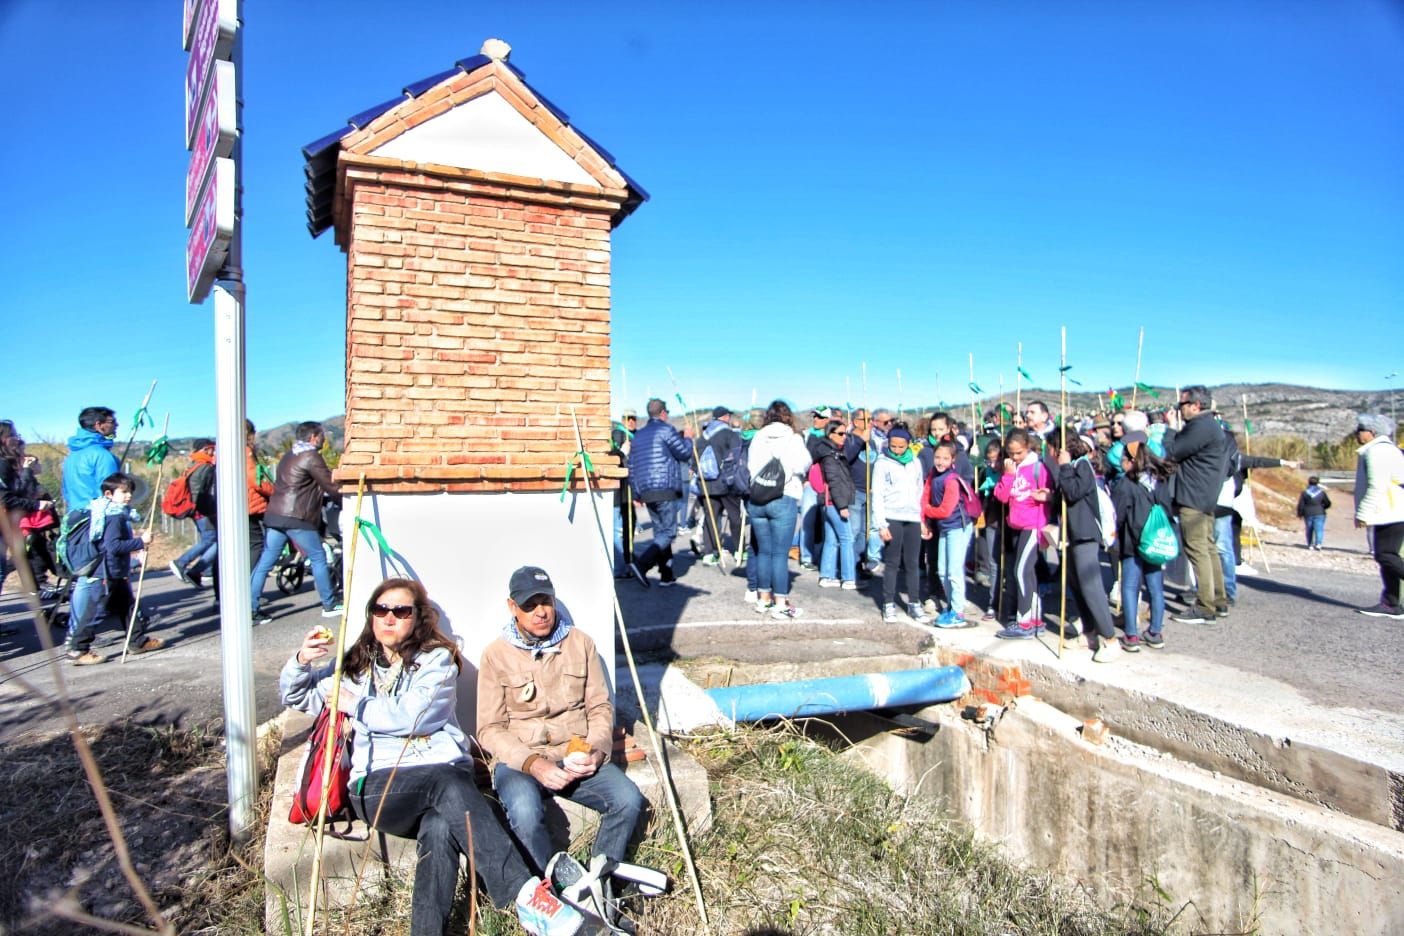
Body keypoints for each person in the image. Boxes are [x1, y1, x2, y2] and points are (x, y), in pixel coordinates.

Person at [280, 578, 591, 936]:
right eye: (381, 610)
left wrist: (359, 707)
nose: (389, 618)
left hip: (442, 784)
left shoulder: (437, 661)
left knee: (441, 828)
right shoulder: (355, 670)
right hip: (380, 786)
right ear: (371, 617)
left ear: (418, 618)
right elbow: (296, 696)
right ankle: (523, 893)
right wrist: (302, 661)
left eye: (400, 611)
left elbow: (419, 715)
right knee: (447, 783)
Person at [478, 567, 645, 885]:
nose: (540, 612)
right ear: (512, 607)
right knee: (526, 814)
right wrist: (533, 764)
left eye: (546, 601)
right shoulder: (495, 655)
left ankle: (597, 883)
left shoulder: (580, 643)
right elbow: (489, 728)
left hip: (574, 752)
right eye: (530, 605)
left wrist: (595, 752)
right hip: (522, 760)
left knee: (627, 799)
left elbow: (599, 707)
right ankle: (552, 891)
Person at [250, 421, 344, 621]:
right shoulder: (311, 456)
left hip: (275, 515)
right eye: (321, 436)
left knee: (266, 561)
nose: (324, 439)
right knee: (318, 557)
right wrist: (344, 501)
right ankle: (329, 603)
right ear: (313, 437)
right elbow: (329, 485)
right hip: (297, 517)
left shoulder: (288, 456)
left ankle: (251, 607)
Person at [65, 473, 162, 664]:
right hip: (106, 572)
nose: (128, 496)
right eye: (124, 492)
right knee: (97, 610)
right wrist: (140, 542)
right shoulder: (114, 516)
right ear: (109, 494)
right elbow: (112, 546)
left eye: (130, 492)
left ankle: (137, 641)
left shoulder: (109, 511)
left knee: (128, 608)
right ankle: (77, 649)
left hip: (114, 571)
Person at [1162, 386, 1229, 624]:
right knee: (1208, 549)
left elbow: (1172, 452)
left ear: (1195, 405)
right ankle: (1218, 600)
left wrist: (1170, 429)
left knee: (1197, 550)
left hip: (1193, 497)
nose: (1178, 410)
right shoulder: (1211, 426)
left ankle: (1205, 606)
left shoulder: (1200, 426)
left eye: (1181, 405)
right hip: (1205, 496)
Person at [745, 400, 812, 619]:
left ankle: (763, 599)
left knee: (763, 551)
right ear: (788, 416)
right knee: (779, 554)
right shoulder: (793, 438)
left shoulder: (757, 436)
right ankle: (780, 602)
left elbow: (750, 466)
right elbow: (804, 464)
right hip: (783, 496)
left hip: (757, 498)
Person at [1056, 435, 1119, 660]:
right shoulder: (1070, 467)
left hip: (1085, 533)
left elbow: (1074, 492)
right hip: (1070, 534)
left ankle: (1110, 638)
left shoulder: (1082, 466)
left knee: (1090, 586)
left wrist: (1064, 467)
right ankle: (1089, 632)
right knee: (1077, 585)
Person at [1113, 432, 1174, 650]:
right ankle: (1155, 632)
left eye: (1122, 460)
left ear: (1131, 461)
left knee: (1130, 588)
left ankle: (1131, 635)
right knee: (1155, 587)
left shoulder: (1125, 485)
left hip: (1132, 543)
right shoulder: (1160, 480)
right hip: (1155, 542)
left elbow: (1117, 516)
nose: (1120, 463)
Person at [625, 399, 693, 587]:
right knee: (669, 533)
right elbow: (685, 453)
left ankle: (666, 574)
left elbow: (632, 466)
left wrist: (637, 492)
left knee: (660, 533)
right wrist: (688, 437)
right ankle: (642, 564)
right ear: (662, 413)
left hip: (647, 492)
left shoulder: (638, 436)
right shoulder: (666, 430)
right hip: (665, 488)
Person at [992, 429, 1053, 639]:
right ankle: (1035, 619)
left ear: (1028, 448)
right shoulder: (1010, 468)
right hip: (1015, 526)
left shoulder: (1038, 468)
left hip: (1033, 525)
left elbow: (1051, 492)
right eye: (1011, 453)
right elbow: (1001, 496)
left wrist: (1046, 497)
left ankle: (1024, 622)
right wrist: (1008, 476)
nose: (1015, 457)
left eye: (1019, 453)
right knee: (1028, 573)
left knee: (1020, 571)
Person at [872, 425, 928, 624]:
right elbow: (877, 493)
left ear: (908, 444)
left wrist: (921, 519)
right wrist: (881, 524)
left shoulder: (915, 461)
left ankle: (914, 602)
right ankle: (888, 603)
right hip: (891, 516)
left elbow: (919, 489)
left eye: (901, 446)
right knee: (893, 562)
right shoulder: (882, 462)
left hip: (912, 517)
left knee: (913, 563)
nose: (896, 450)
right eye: (893, 446)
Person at [1352, 414, 1404, 619]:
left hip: (1391, 511)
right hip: (1388, 511)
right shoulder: (1380, 450)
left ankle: (1392, 602)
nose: (1357, 433)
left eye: (1360, 430)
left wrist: (1362, 513)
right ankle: (1391, 603)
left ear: (1372, 433)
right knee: (1385, 555)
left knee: (1386, 555)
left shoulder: (1378, 452)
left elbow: (1377, 485)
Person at [921, 440, 978, 628]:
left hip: (958, 527)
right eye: (937, 457)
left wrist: (927, 511)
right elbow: (925, 496)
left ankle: (958, 612)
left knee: (954, 571)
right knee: (942, 569)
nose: (940, 461)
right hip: (945, 527)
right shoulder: (933, 475)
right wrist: (924, 519)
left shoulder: (952, 480)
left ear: (953, 460)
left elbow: (945, 510)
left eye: (945, 458)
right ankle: (952, 606)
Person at [1, 421, 55, 598]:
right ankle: (36, 584)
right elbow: (11, 496)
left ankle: (37, 583)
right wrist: (36, 504)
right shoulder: (2, 465)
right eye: (12, 436)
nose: (16, 439)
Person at [813, 419, 857, 589]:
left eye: (845, 433)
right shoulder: (830, 455)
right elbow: (834, 481)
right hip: (833, 502)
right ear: (830, 434)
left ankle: (826, 575)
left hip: (828, 502)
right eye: (840, 433)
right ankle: (848, 578)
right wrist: (842, 506)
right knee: (847, 539)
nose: (844, 437)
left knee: (831, 539)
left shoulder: (829, 452)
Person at [696, 406, 742, 565]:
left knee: (711, 518)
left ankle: (709, 553)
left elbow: (693, 460)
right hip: (726, 484)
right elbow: (737, 456)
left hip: (706, 485)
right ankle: (739, 549)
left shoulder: (702, 437)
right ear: (725, 417)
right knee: (735, 517)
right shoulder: (730, 434)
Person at [169, 439, 218, 588]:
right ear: (205, 449)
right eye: (211, 449)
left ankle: (205, 570)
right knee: (212, 540)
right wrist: (209, 510)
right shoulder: (205, 466)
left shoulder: (193, 464)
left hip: (195, 508)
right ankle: (183, 563)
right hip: (202, 510)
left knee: (210, 539)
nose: (213, 452)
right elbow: (204, 491)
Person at [843, 408, 884, 576]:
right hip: (854, 491)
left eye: (871, 419)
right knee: (852, 531)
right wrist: (860, 441)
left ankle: (859, 563)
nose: (871, 423)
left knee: (864, 532)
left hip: (870, 492)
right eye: (866, 419)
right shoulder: (850, 439)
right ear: (856, 422)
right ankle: (848, 567)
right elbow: (846, 456)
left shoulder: (872, 442)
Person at [61, 406, 120, 511]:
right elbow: (112, 493)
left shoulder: (70, 457)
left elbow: (66, 492)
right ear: (98, 425)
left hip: (75, 518)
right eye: (112, 422)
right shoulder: (103, 455)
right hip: (99, 518)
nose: (116, 425)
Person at [1296, 476, 1331, 550]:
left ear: (1308, 482)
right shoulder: (1321, 493)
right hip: (1320, 513)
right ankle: (1318, 544)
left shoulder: (1305, 493)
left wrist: (1300, 513)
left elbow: (1301, 504)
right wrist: (1322, 508)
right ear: (1318, 483)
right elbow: (1328, 503)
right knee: (1319, 529)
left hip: (1308, 513)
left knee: (1309, 529)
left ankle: (1310, 544)